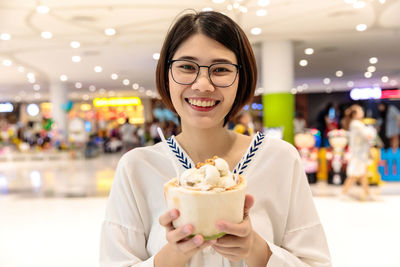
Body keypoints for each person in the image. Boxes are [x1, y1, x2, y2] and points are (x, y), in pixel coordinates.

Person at [100, 10, 331, 267]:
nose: (203, 84)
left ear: (240, 79)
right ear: (167, 74)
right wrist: (172, 256)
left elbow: (315, 262)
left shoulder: (279, 159)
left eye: (220, 69)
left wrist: (256, 248)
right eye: (187, 67)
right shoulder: (137, 168)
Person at [341, 104, 376, 200]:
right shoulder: (357, 124)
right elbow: (368, 136)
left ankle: (368, 193)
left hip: (360, 153)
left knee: (362, 174)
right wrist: (373, 132)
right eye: (360, 111)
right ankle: (343, 193)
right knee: (353, 174)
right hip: (358, 154)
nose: (362, 112)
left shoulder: (356, 123)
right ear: (355, 114)